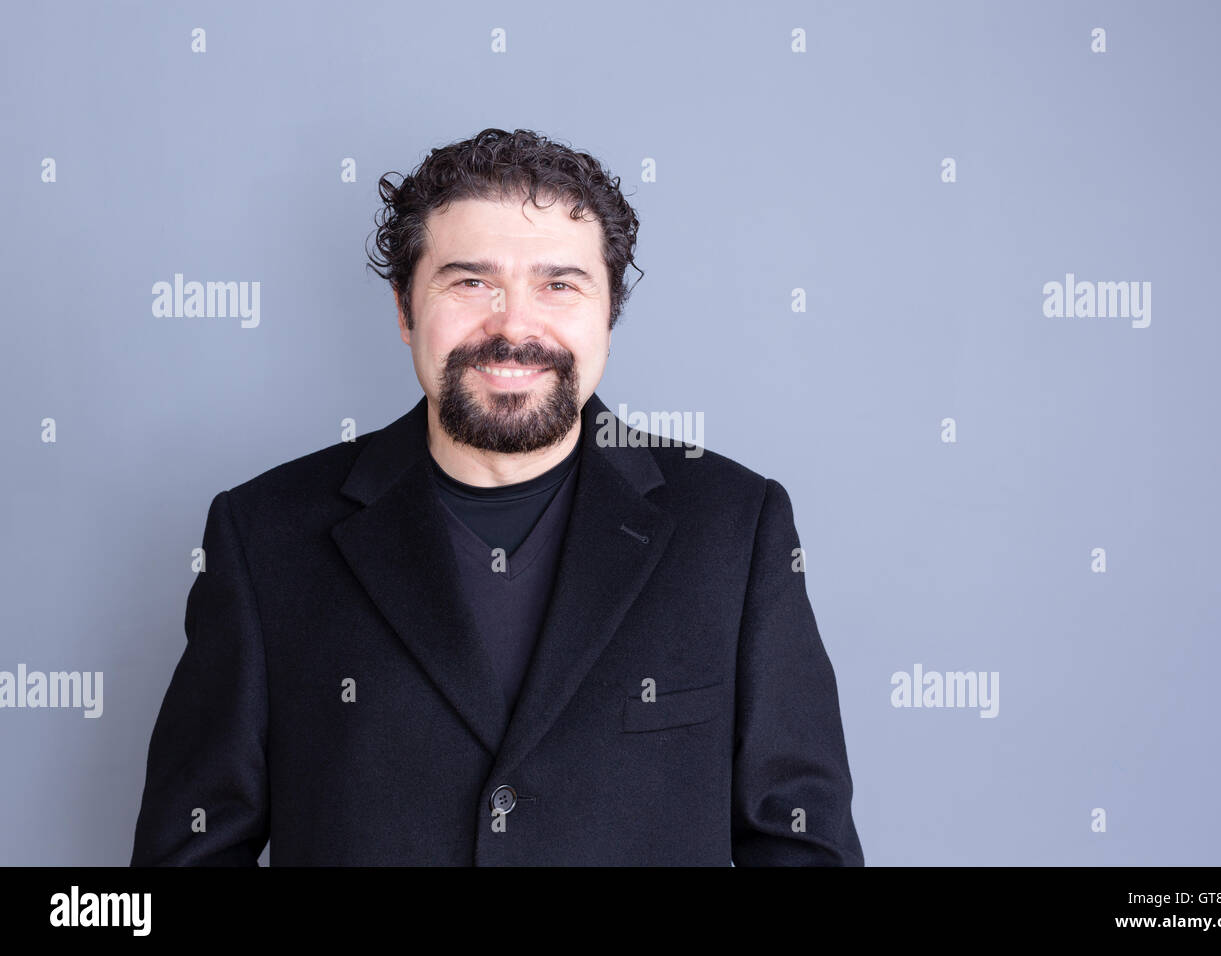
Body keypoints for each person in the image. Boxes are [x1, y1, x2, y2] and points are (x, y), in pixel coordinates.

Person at [130, 127, 863, 866]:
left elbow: (801, 844)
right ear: (404, 307)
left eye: (559, 284)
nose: (514, 325)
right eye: (471, 281)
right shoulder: (263, 536)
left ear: (608, 311)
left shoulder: (735, 527)